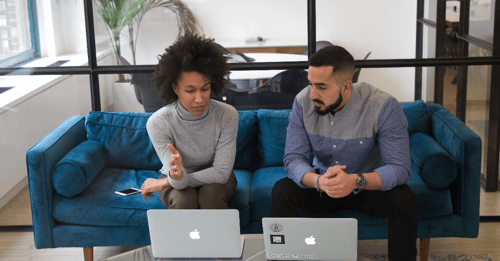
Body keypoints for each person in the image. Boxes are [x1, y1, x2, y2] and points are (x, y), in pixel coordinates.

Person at [270, 46, 418, 260]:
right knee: (282, 190)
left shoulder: (382, 106)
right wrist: (319, 181)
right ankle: (282, 257)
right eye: (311, 84)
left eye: (321, 87)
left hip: (366, 186)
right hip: (324, 185)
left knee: (404, 198)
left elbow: (400, 168)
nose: (313, 94)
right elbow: (293, 158)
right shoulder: (303, 103)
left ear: (346, 86)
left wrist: (355, 181)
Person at [140, 34, 239, 209]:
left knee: (210, 197)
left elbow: (222, 173)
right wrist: (176, 179)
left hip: (216, 178)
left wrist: (165, 183)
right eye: (190, 90)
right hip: (175, 176)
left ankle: (220, 238)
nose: (199, 99)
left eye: (205, 89)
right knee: (183, 200)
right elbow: (178, 180)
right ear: (175, 88)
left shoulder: (227, 115)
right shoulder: (158, 122)